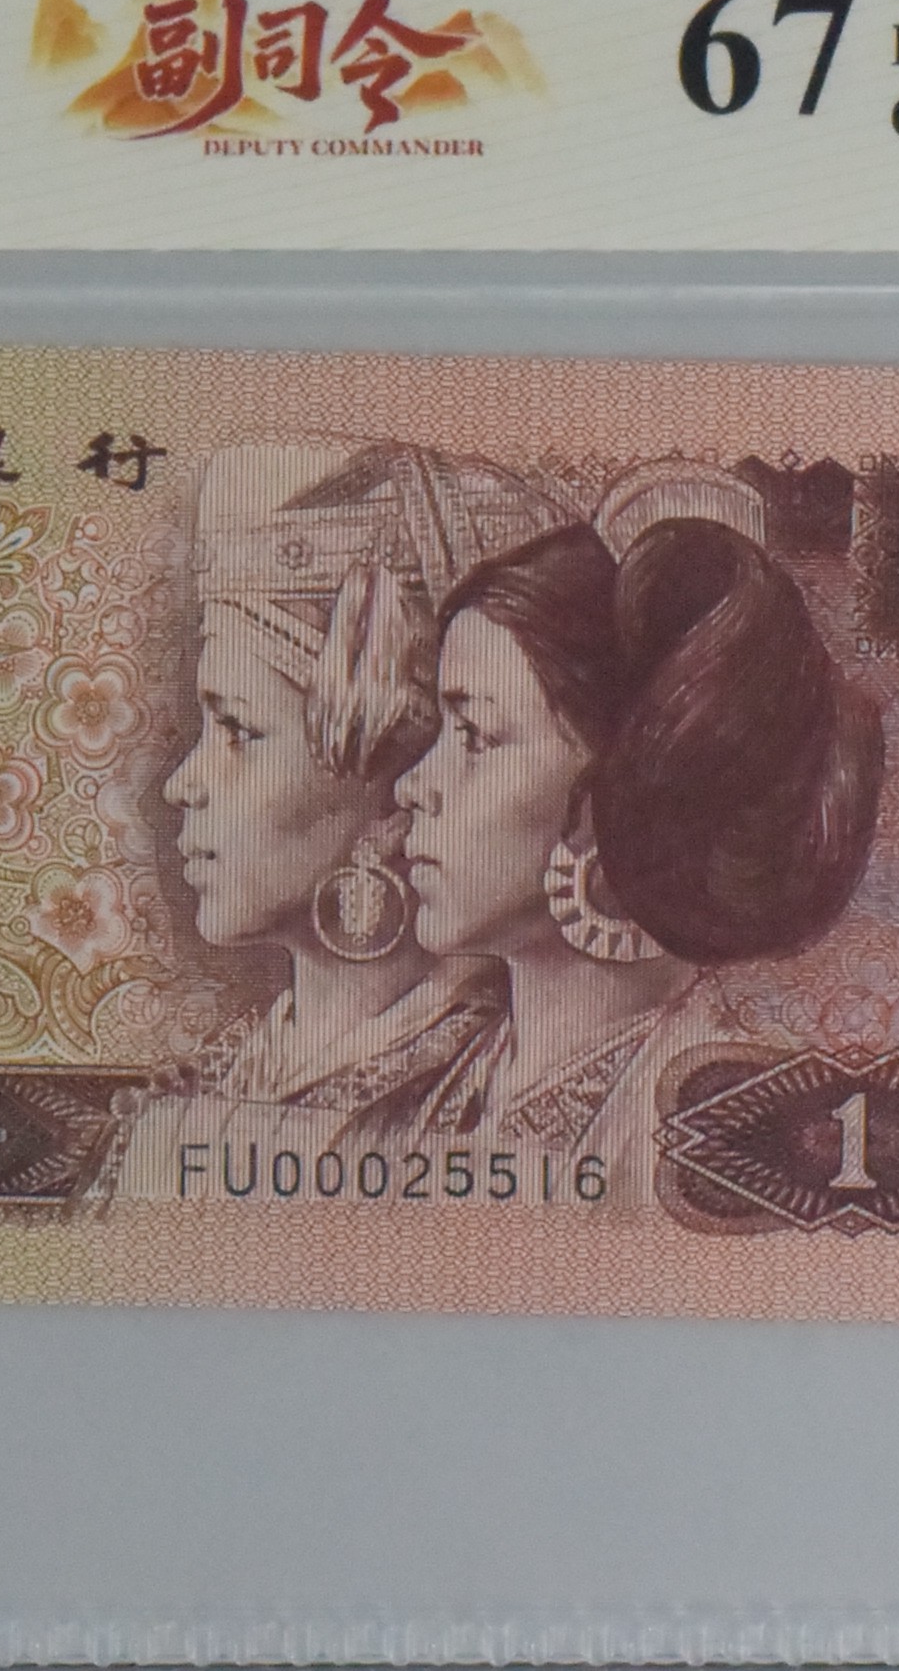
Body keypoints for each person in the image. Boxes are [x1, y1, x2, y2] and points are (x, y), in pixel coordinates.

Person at [390, 460, 886, 1203]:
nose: (410, 786)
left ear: (616, 793)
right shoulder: (415, 1095)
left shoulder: (732, 1135)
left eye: (476, 736)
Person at [115, 439, 577, 1196]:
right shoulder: (212, 1084)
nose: (182, 784)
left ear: (395, 784)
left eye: (237, 730)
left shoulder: (499, 1108)